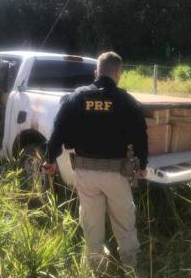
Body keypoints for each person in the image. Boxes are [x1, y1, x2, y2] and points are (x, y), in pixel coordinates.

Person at [42, 51, 148, 275]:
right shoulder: (127, 101)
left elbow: (57, 131)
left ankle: (97, 270)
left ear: (96, 72)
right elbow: (141, 136)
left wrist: (49, 160)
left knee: (92, 225)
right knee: (124, 224)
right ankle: (131, 269)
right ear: (118, 73)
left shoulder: (76, 97)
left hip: (85, 173)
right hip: (117, 174)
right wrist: (143, 166)